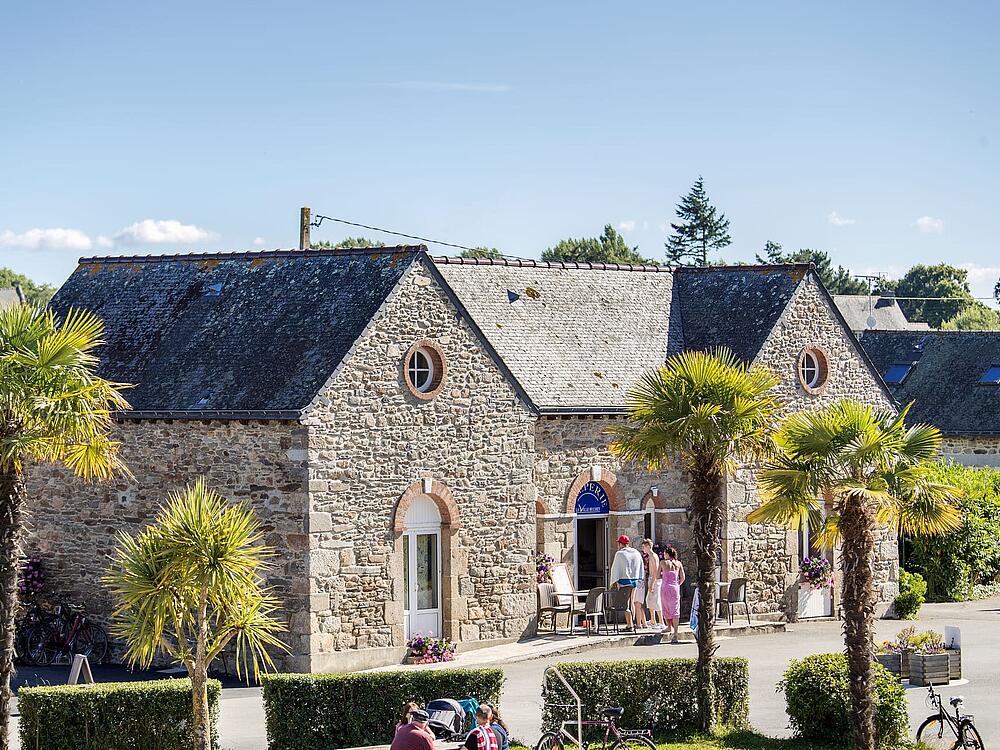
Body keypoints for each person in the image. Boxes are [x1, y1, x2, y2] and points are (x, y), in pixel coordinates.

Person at [609, 534, 643, 631]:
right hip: (634, 580)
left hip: (624, 581)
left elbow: (615, 568)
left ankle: (629, 625)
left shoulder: (620, 554)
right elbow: (640, 565)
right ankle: (632, 623)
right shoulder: (636, 552)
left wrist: (614, 580)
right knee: (631, 601)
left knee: (625, 604)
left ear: (620, 544)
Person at [659, 545, 685, 643]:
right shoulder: (678, 564)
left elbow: (657, 575)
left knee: (665, 607)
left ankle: (669, 626)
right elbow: (683, 577)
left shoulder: (662, 563)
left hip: (665, 587)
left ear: (667, 554)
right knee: (675, 609)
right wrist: (677, 584)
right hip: (674, 588)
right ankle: (675, 633)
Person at [641, 539, 663, 631]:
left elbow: (655, 571)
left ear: (648, 547)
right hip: (651, 579)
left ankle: (661, 621)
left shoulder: (653, 556)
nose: (642, 549)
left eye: (643, 547)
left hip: (654, 580)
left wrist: (652, 584)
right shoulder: (650, 556)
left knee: (656, 601)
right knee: (650, 601)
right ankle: (653, 620)